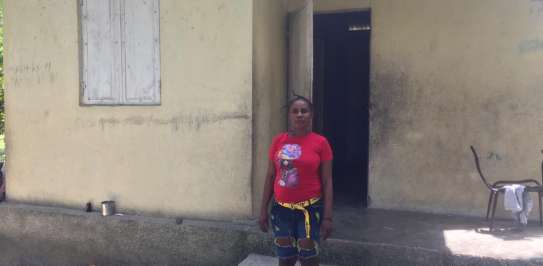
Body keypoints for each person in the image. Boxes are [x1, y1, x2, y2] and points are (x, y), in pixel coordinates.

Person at [259, 95, 334, 266]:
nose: (299, 114)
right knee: (285, 258)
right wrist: (263, 209)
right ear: (289, 116)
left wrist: (328, 217)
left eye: (304, 111)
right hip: (280, 211)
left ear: (311, 115)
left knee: (309, 258)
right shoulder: (278, 141)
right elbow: (271, 175)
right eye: (295, 111)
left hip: (310, 211)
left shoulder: (321, 143)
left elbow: (327, 181)